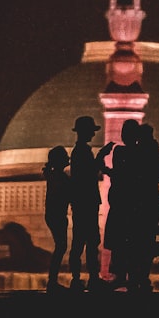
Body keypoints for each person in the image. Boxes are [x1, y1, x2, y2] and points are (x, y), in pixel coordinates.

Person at [128, 122, 159, 293]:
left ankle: (133, 278)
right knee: (147, 242)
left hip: (134, 203)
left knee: (133, 240)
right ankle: (143, 278)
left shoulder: (134, 154)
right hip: (150, 202)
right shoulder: (156, 155)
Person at [68, 115, 109, 292]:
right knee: (87, 243)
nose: (93, 134)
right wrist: (101, 156)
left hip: (82, 203)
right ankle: (83, 279)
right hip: (86, 202)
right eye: (91, 131)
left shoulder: (81, 151)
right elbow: (89, 174)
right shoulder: (81, 152)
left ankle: (86, 278)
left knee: (86, 242)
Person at [100, 118, 140, 289]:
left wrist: (102, 161)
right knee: (131, 241)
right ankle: (133, 277)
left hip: (121, 204)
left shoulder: (120, 152)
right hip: (133, 204)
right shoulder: (141, 153)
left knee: (119, 242)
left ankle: (120, 275)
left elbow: (117, 173)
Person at [42, 145, 71, 293]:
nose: (68, 158)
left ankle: (52, 281)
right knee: (61, 247)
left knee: (60, 247)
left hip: (55, 215)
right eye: (65, 156)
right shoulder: (58, 177)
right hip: (57, 215)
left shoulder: (54, 175)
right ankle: (52, 282)